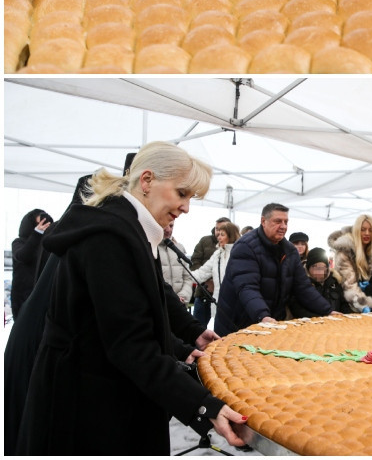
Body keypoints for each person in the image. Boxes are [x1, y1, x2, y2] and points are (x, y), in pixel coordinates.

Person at [16, 141, 249, 454]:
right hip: (86, 402)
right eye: (182, 193)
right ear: (147, 180)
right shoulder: (109, 238)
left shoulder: (128, 228)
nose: (186, 208)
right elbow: (130, 344)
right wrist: (203, 406)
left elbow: (153, 289)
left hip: (100, 389)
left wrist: (191, 333)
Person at [216, 203, 332, 335]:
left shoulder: (290, 251)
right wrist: (262, 316)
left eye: (286, 222)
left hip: (271, 323)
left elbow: (303, 287)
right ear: (263, 221)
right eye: (278, 221)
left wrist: (327, 310)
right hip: (239, 323)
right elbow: (247, 287)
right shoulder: (246, 247)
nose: (283, 226)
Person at [327, 213, 372, 313]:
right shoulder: (344, 252)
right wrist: (364, 305)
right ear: (356, 230)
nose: (367, 233)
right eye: (363, 229)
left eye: (370, 230)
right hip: (347, 304)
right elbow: (349, 285)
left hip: (368, 301)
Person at [190, 216, 232, 327]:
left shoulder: (237, 249)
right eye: (217, 228)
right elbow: (195, 263)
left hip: (226, 299)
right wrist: (207, 282)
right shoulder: (206, 242)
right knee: (198, 329)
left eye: (222, 230)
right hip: (204, 293)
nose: (218, 232)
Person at [10, 208, 52, 318]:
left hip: (43, 297)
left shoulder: (47, 246)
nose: (43, 226)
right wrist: (37, 233)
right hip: (23, 298)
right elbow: (23, 256)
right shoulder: (18, 242)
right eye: (39, 223)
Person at [291, 248, 347, 316]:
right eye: (314, 267)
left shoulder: (335, 281)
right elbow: (297, 309)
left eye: (322, 267)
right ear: (308, 267)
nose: (318, 271)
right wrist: (320, 318)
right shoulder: (301, 283)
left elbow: (344, 304)